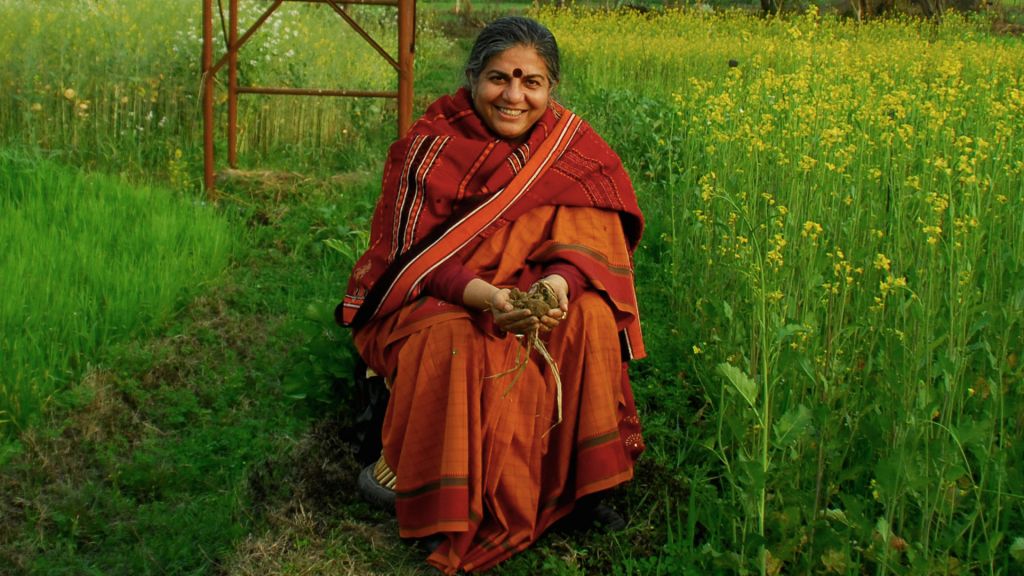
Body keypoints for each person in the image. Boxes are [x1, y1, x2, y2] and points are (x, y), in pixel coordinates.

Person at [338, 16, 646, 574]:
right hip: (439, 298)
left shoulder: (570, 148)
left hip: (536, 286)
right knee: (459, 337)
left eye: (532, 81)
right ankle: (442, 494)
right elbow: (411, 261)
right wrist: (488, 298)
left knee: (592, 317)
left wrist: (555, 287)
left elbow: (589, 239)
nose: (513, 95)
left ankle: (580, 489)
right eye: (499, 78)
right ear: (473, 77)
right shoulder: (428, 148)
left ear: (551, 89)